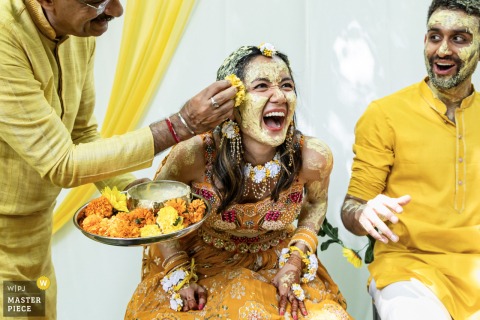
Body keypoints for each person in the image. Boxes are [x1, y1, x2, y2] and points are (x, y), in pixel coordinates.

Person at [0, 0, 237, 318]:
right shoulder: (6, 36)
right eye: (96, 1)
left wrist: (128, 190)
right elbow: (61, 162)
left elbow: (81, 134)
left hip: (33, 232)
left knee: (33, 314)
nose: (116, 11)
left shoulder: (77, 32)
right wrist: (178, 126)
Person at [125, 43, 351, 320]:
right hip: (204, 267)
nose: (278, 95)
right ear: (232, 105)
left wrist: (294, 260)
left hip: (278, 264)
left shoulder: (313, 157)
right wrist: (179, 274)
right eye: (261, 86)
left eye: (287, 85)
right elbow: (157, 211)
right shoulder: (194, 155)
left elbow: (316, 202)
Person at [340, 0, 480, 319]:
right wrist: (363, 213)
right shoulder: (385, 115)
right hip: (409, 272)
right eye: (434, 36)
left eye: (459, 38)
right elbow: (351, 206)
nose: (442, 50)